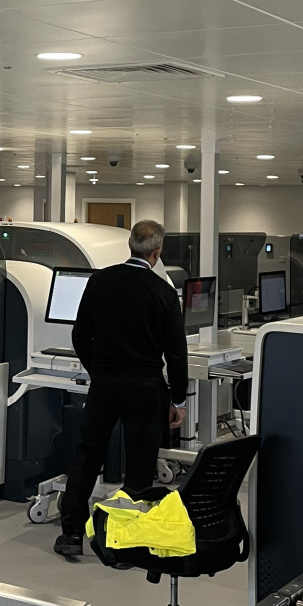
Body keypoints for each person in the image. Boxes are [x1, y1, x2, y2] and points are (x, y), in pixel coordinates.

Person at [55, 219, 189, 561]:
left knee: (87, 454)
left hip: (105, 384)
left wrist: (98, 369)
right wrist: (178, 399)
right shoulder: (163, 292)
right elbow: (176, 352)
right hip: (146, 386)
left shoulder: (100, 281)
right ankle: (126, 539)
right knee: (140, 462)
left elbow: (80, 335)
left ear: (131, 246)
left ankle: (71, 532)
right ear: (156, 253)